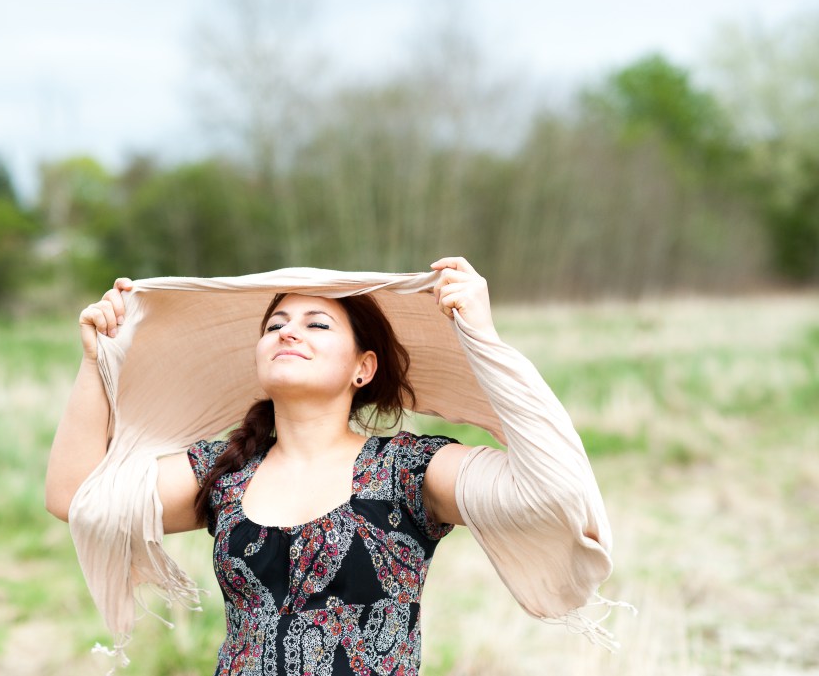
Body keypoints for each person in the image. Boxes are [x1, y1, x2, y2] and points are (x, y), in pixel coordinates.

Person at [46, 257, 616, 674]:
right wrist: (97, 361)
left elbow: (551, 488)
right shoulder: (224, 470)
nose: (288, 332)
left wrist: (482, 337)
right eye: (275, 325)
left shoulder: (409, 470)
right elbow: (72, 497)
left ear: (362, 368)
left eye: (317, 324)